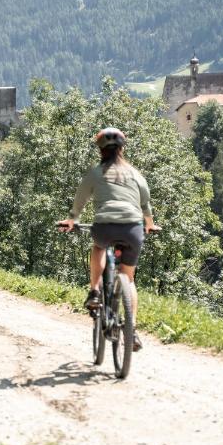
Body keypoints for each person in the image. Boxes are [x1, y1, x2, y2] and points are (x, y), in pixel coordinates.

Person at [57, 127, 159, 350]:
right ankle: (131, 331)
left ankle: (94, 291)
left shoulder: (95, 173)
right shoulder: (134, 173)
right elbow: (145, 203)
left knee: (98, 248)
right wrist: (149, 224)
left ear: (101, 150)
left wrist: (72, 219)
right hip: (133, 228)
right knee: (129, 278)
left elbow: (80, 199)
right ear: (122, 148)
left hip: (104, 226)